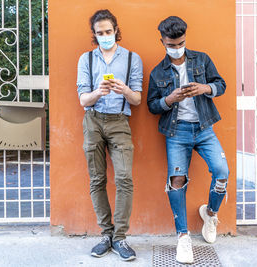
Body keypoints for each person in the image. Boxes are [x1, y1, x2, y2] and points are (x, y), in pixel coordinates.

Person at [147, 16, 229, 264]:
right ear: (162, 41)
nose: (176, 47)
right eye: (171, 44)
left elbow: (221, 84)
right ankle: (183, 237)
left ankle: (210, 214)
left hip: (204, 128)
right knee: (176, 180)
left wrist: (205, 88)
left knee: (222, 170)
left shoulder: (201, 59)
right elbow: (152, 105)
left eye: (180, 43)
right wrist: (170, 99)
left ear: (185, 38)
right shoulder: (157, 72)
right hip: (177, 131)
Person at [76, 9, 143, 261]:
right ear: (94, 35)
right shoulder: (86, 59)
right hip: (92, 120)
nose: (105, 36)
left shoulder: (132, 59)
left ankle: (120, 237)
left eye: (108, 31)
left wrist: (124, 89)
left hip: (119, 121)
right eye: (100, 33)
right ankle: (106, 234)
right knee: (97, 179)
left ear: (116, 30)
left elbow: (136, 99)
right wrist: (98, 92)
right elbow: (83, 99)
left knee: (125, 178)